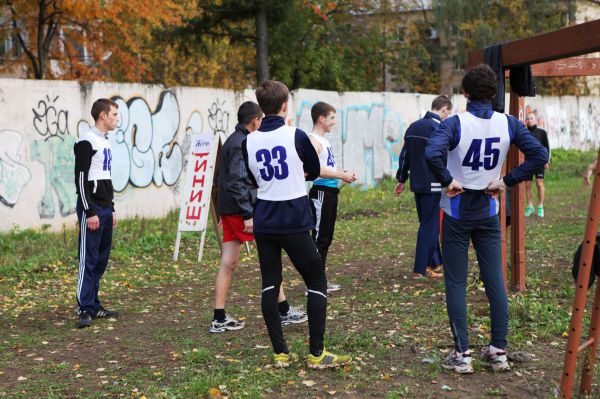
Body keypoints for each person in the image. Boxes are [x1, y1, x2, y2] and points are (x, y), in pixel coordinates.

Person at [425, 64, 547, 374]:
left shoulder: (454, 123)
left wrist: (447, 178)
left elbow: (431, 152)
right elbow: (540, 155)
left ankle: (462, 354)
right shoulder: (509, 123)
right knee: (495, 282)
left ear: (464, 93)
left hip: (456, 208)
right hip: (489, 208)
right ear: (494, 94)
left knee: (455, 281)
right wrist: (507, 180)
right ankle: (498, 351)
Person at [242, 80, 351, 369]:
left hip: (264, 217)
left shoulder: (248, 139)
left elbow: (252, 180)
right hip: (292, 215)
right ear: (284, 105)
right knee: (316, 280)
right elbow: (313, 171)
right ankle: (317, 353)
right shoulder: (296, 134)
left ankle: (280, 353)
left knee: (270, 283)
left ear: (262, 107)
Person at [211, 101, 307, 333]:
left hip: (230, 210)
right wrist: (247, 214)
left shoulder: (232, 140)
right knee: (270, 258)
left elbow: (227, 181)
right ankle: (283, 311)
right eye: (261, 120)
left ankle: (219, 317)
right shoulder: (242, 143)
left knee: (229, 262)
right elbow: (236, 182)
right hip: (241, 212)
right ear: (255, 121)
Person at [74, 98, 121, 328]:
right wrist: (89, 211)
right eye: (114, 114)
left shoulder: (105, 142)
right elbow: (81, 179)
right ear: (103, 115)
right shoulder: (86, 141)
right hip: (91, 209)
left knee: (101, 259)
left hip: (104, 208)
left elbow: (106, 179)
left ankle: (94, 305)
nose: (116, 119)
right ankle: (84, 307)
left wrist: (111, 208)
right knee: (89, 259)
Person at [395, 95, 453, 279]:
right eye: (447, 113)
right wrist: (448, 180)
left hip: (417, 184)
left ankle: (435, 262)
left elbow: (405, 156)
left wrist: (402, 178)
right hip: (434, 184)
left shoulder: (413, 127)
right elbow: (444, 158)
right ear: (443, 109)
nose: (447, 117)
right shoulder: (439, 129)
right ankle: (420, 268)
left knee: (427, 223)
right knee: (430, 226)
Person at [308, 102, 356, 293]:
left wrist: (343, 172)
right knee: (319, 238)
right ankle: (314, 284)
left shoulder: (324, 140)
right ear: (321, 119)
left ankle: (320, 281)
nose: (334, 122)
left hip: (330, 193)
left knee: (325, 238)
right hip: (320, 192)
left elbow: (326, 166)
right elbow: (314, 170)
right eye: (332, 118)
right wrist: (340, 175)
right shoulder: (313, 141)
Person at [524, 112, 550, 217]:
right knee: (527, 184)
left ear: (535, 120)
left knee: (539, 184)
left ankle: (540, 206)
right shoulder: (524, 133)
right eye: (528, 118)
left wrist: (546, 160)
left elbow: (547, 147)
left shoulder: (542, 132)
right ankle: (530, 206)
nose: (529, 120)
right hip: (528, 161)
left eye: (531, 118)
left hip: (539, 161)